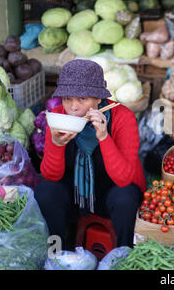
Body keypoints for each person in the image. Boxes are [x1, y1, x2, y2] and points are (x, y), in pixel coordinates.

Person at [35, 59, 145, 250]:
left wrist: (103, 137)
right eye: (67, 98)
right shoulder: (58, 115)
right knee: (46, 191)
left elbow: (124, 178)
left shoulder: (122, 117)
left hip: (110, 193)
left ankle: (124, 255)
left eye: (82, 99)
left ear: (98, 98)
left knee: (125, 197)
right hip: (75, 195)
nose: (73, 107)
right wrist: (56, 143)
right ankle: (57, 254)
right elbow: (51, 175)